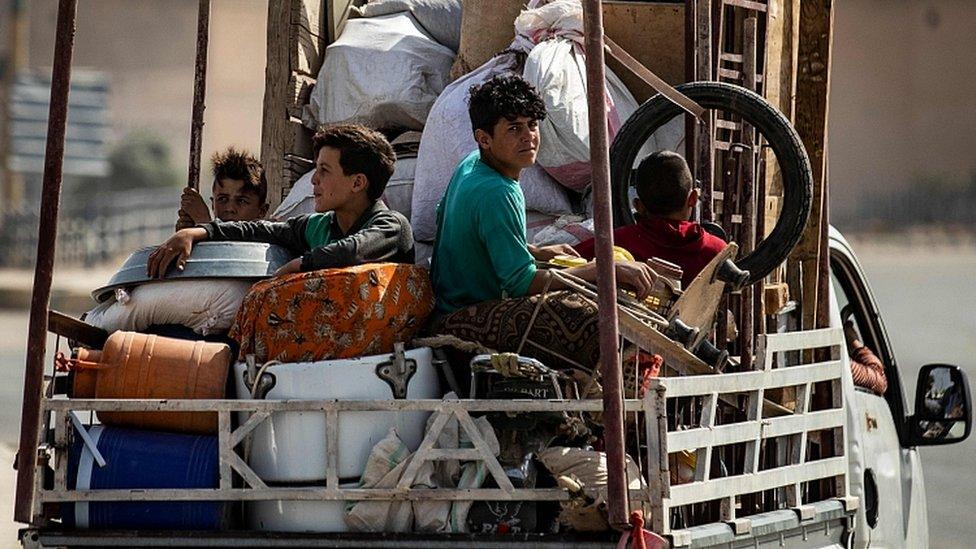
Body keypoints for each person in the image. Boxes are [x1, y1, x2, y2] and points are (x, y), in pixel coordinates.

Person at [428, 74, 658, 374]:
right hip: (461, 318)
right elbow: (521, 283)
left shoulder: (472, 163)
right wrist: (603, 270)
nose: (529, 137)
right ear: (484, 138)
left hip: (447, 303)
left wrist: (535, 250)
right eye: (513, 129)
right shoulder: (498, 191)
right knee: (581, 314)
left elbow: (470, 232)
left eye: (532, 125)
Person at [148, 124, 414, 278]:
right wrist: (198, 231)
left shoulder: (391, 226)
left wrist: (295, 268)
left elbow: (353, 250)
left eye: (324, 171)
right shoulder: (315, 227)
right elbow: (259, 229)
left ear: (357, 183)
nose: (314, 181)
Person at [575, 150, 727, 289]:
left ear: (638, 206)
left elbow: (566, 266)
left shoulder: (613, 244)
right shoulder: (717, 250)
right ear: (693, 198)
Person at [177, 147, 269, 227]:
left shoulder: (267, 244)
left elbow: (228, 247)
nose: (230, 209)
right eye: (222, 199)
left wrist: (203, 223)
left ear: (262, 211)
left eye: (242, 201)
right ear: (213, 205)